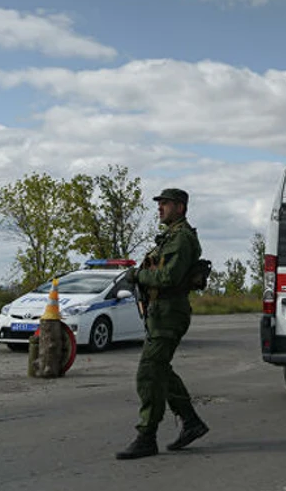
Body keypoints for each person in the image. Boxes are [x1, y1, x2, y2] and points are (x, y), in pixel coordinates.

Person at [116, 188, 209, 460]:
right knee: (160, 370)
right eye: (160, 204)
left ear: (180, 208)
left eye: (165, 204)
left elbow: (168, 277)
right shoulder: (169, 237)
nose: (160, 209)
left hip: (170, 312)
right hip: (160, 312)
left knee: (148, 372)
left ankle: (147, 436)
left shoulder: (181, 239)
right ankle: (191, 422)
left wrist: (137, 275)